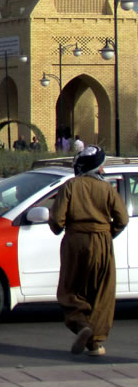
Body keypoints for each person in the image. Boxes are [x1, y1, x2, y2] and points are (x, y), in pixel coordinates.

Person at [49, 146, 128, 356]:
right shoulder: (107, 189)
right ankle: (96, 342)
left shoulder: (70, 187)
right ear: (98, 167)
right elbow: (123, 219)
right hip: (102, 241)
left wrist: (59, 229)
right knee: (101, 292)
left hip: (75, 240)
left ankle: (80, 324)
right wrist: (107, 233)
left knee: (70, 289)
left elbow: (57, 220)